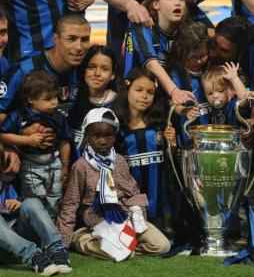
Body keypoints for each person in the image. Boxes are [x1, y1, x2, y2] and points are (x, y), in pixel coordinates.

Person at [56, 108, 171, 261]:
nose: (103, 141)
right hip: (97, 221)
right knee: (124, 253)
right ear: (87, 137)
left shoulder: (120, 161)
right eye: (96, 136)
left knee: (163, 246)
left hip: (126, 216)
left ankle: (124, 247)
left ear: (115, 137)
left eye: (108, 135)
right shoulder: (81, 166)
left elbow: (133, 191)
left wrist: (137, 215)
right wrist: (64, 239)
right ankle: (82, 240)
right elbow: (71, 203)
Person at [0, 134, 71, 276]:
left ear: (1, 165)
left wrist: (19, 206)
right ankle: (36, 258)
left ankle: (57, 250)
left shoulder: (6, 188)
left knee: (31, 203)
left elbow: (21, 216)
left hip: (21, 240)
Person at [0, 13, 92, 127]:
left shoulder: (87, 68)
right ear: (56, 39)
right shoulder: (24, 69)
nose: (79, 47)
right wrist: (23, 128)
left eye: (84, 39)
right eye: (71, 39)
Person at [0, 71, 69, 220]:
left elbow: (64, 141)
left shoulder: (58, 116)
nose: (54, 102)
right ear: (31, 99)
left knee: (55, 198)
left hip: (54, 163)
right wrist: (27, 140)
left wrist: (65, 165)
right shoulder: (19, 117)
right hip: (30, 164)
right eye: (48, 99)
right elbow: (1, 136)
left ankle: (50, 230)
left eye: (56, 97)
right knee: (34, 200)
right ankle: (35, 229)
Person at [114, 68, 175, 226]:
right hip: (130, 202)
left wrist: (173, 143)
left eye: (150, 92)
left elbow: (173, 162)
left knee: (164, 241)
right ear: (127, 89)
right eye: (139, 90)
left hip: (161, 201)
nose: (144, 96)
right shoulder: (116, 127)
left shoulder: (160, 122)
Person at [121, 0, 194, 106]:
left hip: (165, 92)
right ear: (156, 4)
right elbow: (151, 64)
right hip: (136, 97)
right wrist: (175, 91)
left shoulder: (184, 29)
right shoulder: (142, 25)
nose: (177, 2)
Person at [68, 45, 119, 158]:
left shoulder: (119, 103)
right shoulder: (72, 98)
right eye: (91, 67)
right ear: (84, 69)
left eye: (105, 69)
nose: (97, 73)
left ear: (113, 74)